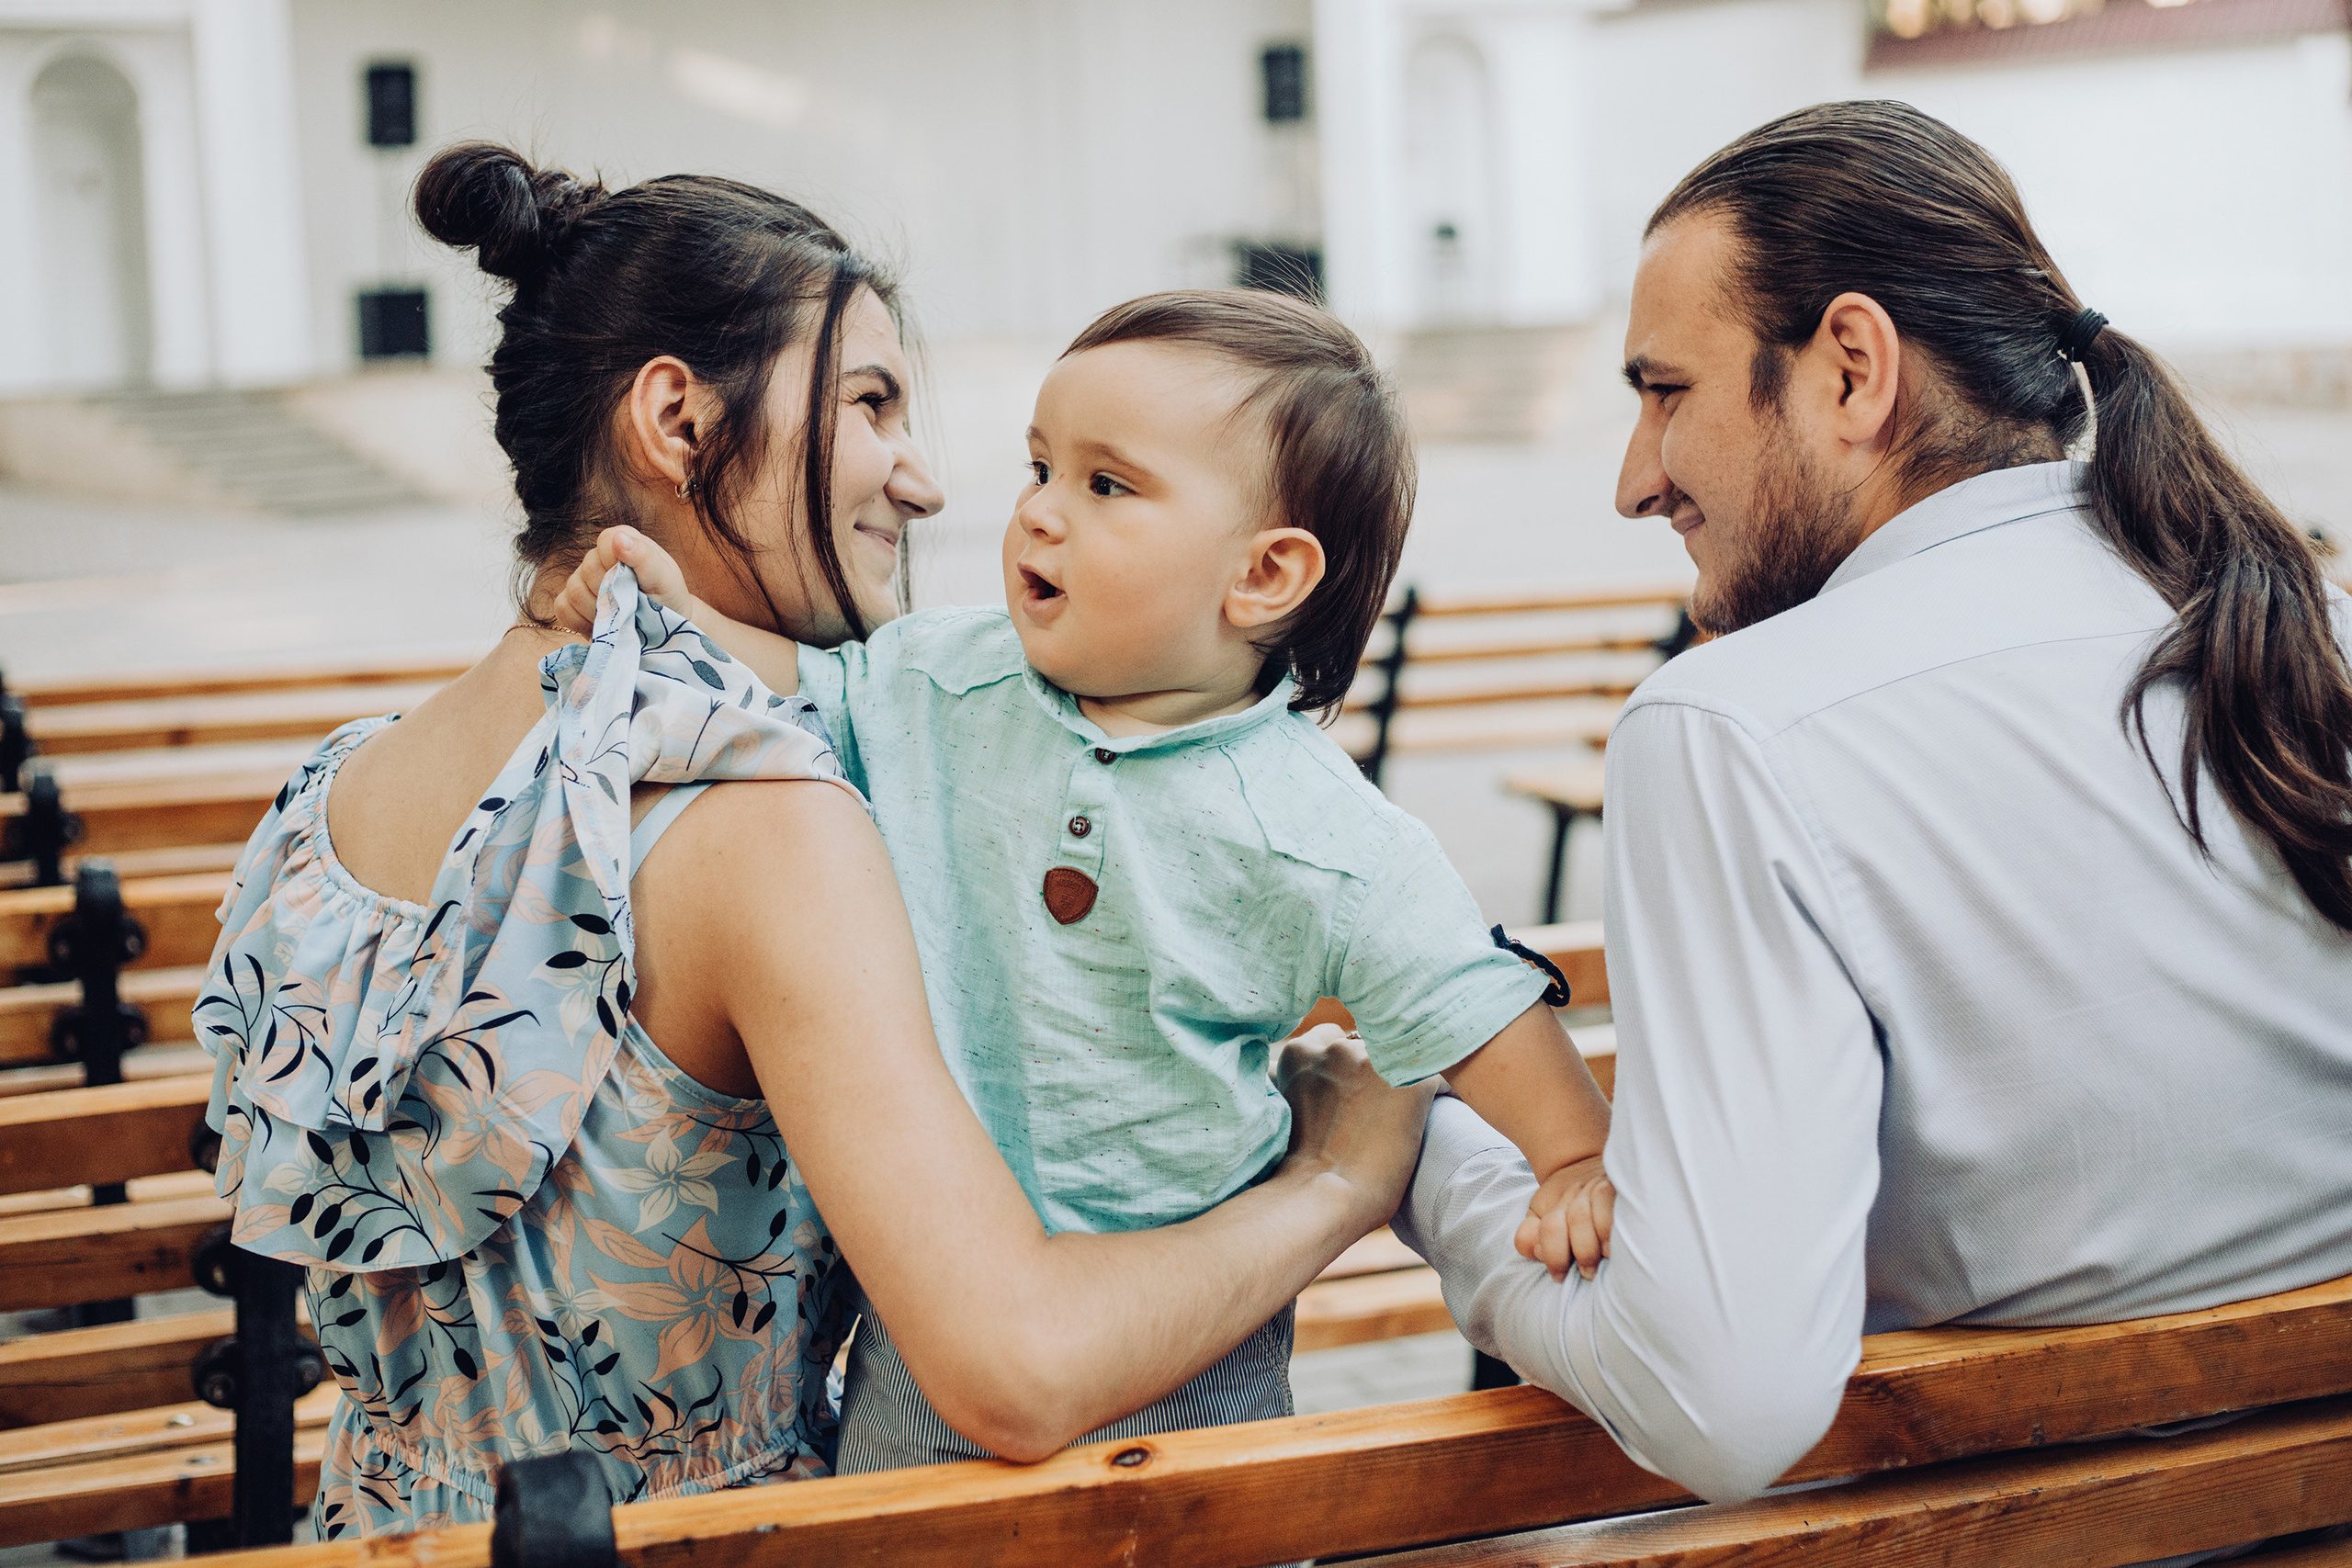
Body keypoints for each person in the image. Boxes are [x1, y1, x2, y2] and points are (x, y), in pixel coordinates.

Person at [193, 142, 1435, 1537]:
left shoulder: (333, 794)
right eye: (872, 405)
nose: (925, 484)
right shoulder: (760, 824)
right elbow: (1016, 1370)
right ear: (678, 421)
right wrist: (1335, 1180)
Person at [1396, 99, 2352, 1507]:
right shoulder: (2306, 621)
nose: (1633, 479)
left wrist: (1420, 1166)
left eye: (1667, 392)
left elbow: (1719, 1403)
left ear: (1852, 369)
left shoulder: (1736, 727)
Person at [554, 287, 1615, 1472]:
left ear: (1264, 576)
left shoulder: (1322, 829)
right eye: (1040, 468)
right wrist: (671, 615)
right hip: (948, 1295)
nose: (1038, 517)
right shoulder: (944, 681)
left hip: (1200, 1320)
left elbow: (1470, 1003)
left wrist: (1575, 1157)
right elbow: (792, 683)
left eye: (1105, 486)